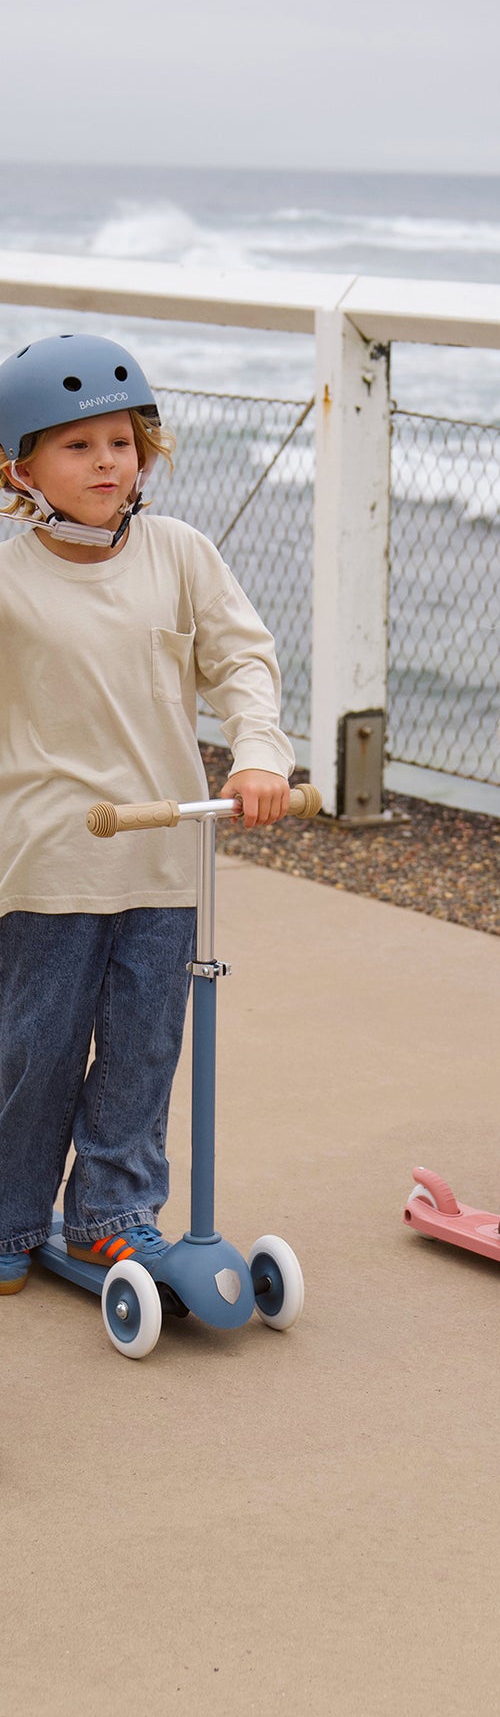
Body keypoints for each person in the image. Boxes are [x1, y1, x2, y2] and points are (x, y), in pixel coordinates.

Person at [0, 332, 294, 1295]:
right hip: (48, 855)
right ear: (20, 466)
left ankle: (110, 1217)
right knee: (35, 1044)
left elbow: (242, 661)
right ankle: (9, 1214)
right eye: (77, 446)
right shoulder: (10, 580)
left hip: (169, 849)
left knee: (146, 1038)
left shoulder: (180, 553)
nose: (105, 463)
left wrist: (257, 755)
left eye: (120, 443)